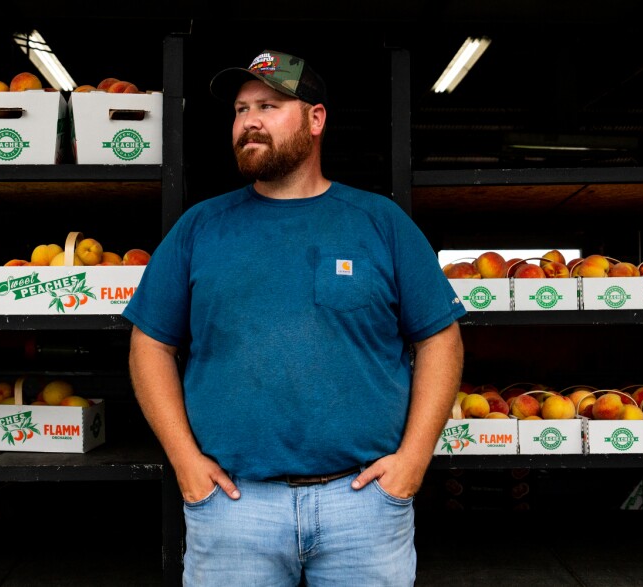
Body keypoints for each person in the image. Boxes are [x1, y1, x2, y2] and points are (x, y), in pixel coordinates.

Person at [124, 48, 466, 586]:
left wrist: (413, 463)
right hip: (234, 508)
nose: (249, 121)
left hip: (364, 507)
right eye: (240, 110)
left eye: (270, 105)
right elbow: (150, 344)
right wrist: (187, 465)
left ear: (316, 118)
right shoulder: (200, 228)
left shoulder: (380, 222)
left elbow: (440, 339)